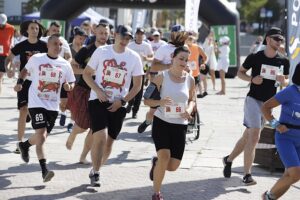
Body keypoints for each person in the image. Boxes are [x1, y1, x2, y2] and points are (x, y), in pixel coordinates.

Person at [222, 27, 290, 186]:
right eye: (276, 39)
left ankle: (228, 159)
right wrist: (252, 79)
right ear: (268, 40)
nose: (279, 42)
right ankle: (247, 175)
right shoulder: (255, 57)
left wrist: (283, 81)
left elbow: (286, 81)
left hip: (269, 105)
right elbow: (240, 73)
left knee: (248, 136)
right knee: (254, 136)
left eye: (281, 39)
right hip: (253, 99)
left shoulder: (283, 60)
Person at [83, 25, 144, 187]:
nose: (124, 41)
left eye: (128, 38)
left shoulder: (134, 57)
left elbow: (137, 86)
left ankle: (96, 168)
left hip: (119, 103)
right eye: (122, 37)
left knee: (109, 143)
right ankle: (96, 173)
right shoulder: (102, 51)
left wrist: (122, 101)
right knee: (100, 136)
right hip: (98, 99)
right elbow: (86, 74)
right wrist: (98, 91)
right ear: (115, 35)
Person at [15, 34, 75, 182]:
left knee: (42, 137)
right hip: (36, 103)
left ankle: (24, 145)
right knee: (41, 136)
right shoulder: (37, 59)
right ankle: (44, 171)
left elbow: (72, 82)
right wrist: (20, 82)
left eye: (60, 44)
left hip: (52, 106)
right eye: (55, 44)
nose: (58, 47)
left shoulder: (65, 64)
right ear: (48, 45)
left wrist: (69, 87)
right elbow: (24, 70)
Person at [143, 46, 195, 200]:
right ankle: (156, 193)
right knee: (165, 156)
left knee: (172, 166)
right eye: (181, 58)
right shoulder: (161, 77)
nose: (183, 62)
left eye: (186, 60)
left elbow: (192, 100)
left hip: (180, 125)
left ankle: (156, 163)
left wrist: (189, 110)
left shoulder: (190, 79)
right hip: (162, 122)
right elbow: (146, 100)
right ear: (173, 57)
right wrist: (160, 102)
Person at [65, 22, 110, 164]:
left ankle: (83, 156)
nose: (103, 36)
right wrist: (87, 73)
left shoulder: (112, 51)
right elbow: (72, 67)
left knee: (95, 128)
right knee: (83, 126)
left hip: (103, 92)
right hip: (85, 90)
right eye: (101, 32)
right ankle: (73, 133)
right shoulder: (86, 50)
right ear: (95, 32)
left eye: (106, 33)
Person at [5, 20, 48, 154]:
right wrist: (8, 69)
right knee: (23, 110)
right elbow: (8, 58)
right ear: (27, 31)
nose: (35, 30)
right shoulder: (21, 45)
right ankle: (20, 142)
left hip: (40, 82)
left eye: (37, 28)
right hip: (24, 81)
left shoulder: (44, 46)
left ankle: (38, 137)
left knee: (35, 111)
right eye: (32, 28)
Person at [138, 24, 189, 133]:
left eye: (181, 34)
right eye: (177, 34)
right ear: (172, 34)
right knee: (152, 112)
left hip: (180, 83)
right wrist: (169, 66)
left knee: (181, 107)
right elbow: (154, 66)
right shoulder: (164, 48)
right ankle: (148, 121)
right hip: (163, 83)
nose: (179, 37)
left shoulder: (186, 48)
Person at [261, 64, 300, 200]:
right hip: (286, 137)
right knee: (295, 174)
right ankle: (267, 196)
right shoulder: (290, 91)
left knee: (290, 175)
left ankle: (270, 198)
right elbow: (265, 107)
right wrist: (275, 124)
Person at [127, 27, 154, 118]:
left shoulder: (147, 46)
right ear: (135, 35)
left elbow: (151, 58)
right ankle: (130, 103)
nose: (139, 36)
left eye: (141, 34)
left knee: (139, 92)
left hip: (141, 71)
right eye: (138, 34)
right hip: (130, 71)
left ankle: (135, 111)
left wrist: (148, 71)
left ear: (144, 35)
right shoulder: (130, 45)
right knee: (130, 89)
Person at [185, 33, 207, 98]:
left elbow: (205, 57)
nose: (190, 40)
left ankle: (194, 107)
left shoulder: (197, 47)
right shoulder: (183, 47)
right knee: (187, 92)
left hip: (195, 73)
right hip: (185, 73)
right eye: (188, 38)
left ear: (193, 40)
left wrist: (203, 64)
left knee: (193, 92)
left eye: (191, 39)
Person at [0, 13, 14, 95]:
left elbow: (12, 39)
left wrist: (12, 48)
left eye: (2, 24)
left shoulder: (11, 28)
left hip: (5, 54)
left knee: (0, 76)